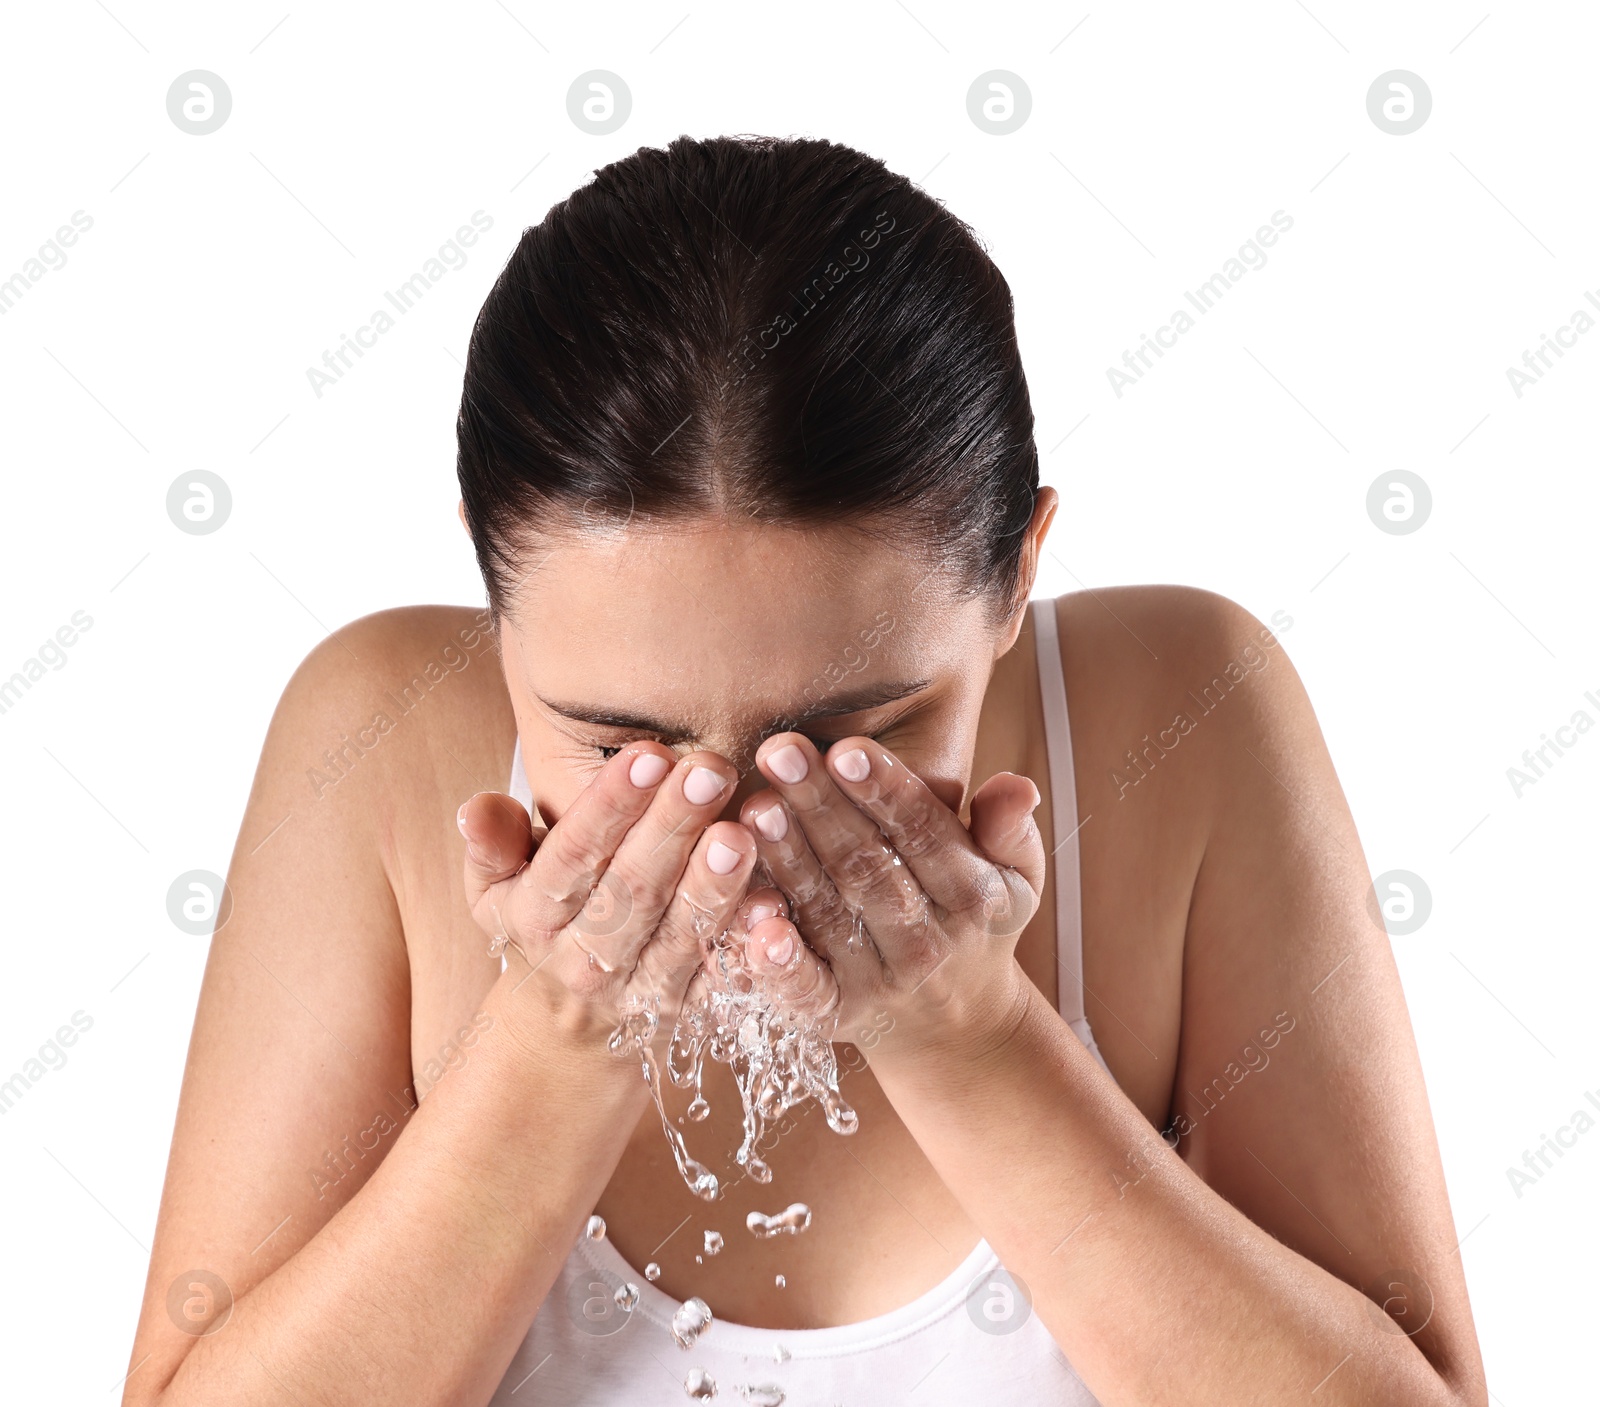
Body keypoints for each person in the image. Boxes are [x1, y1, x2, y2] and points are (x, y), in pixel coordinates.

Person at [122, 135, 1487, 1406]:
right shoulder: (378, 736)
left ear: (1016, 578)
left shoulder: (1184, 717)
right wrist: (549, 1054)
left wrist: (972, 1038)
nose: (735, 834)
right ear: (493, 595)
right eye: (617, 744)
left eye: (852, 738)